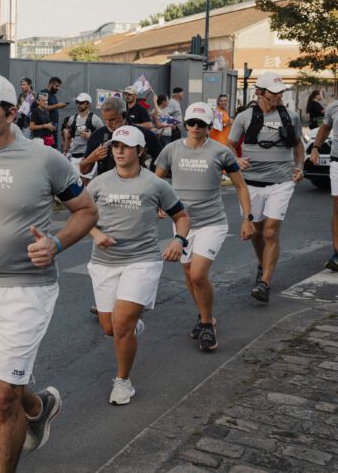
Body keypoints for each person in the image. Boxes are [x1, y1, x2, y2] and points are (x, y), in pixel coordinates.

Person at [0, 73, 98, 470]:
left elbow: (87, 211)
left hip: (27, 289)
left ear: (10, 113)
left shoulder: (45, 159)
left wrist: (56, 243)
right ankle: (38, 405)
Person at [86, 126, 190, 405]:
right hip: (104, 263)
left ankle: (123, 382)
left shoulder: (155, 185)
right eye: (115, 146)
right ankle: (131, 325)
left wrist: (178, 240)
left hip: (142, 261)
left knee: (120, 323)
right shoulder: (99, 183)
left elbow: (182, 216)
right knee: (110, 328)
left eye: (125, 146)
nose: (119, 151)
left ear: (140, 151)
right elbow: (82, 217)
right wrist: (96, 234)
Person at [156, 103, 254, 351]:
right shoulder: (171, 149)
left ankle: (207, 324)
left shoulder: (221, 152)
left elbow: (241, 186)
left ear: (209, 127)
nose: (195, 128)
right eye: (191, 123)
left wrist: (247, 218)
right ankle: (203, 315)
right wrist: (159, 204)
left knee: (198, 274)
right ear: (184, 123)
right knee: (189, 275)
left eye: (201, 124)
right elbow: (155, 182)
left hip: (212, 223)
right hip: (182, 224)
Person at [226, 72, 304, 304]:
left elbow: (298, 144)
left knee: (271, 231)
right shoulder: (245, 117)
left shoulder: (290, 116)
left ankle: (265, 282)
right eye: (273, 92)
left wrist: (299, 166)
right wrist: (236, 160)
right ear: (260, 92)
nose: (278, 96)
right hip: (251, 183)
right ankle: (263, 265)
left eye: (281, 92)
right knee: (257, 232)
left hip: (281, 181)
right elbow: (229, 145)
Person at [80, 97, 163, 181]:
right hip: (107, 189)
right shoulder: (97, 136)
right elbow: (83, 170)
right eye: (106, 120)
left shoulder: (143, 134)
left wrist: (152, 183)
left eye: (112, 119)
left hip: (137, 188)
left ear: (124, 115)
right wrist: (92, 157)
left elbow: (163, 164)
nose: (109, 124)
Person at [309, 97, 338, 271]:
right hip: (337, 160)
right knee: (337, 203)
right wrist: (315, 147)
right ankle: (337, 252)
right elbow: (325, 128)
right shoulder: (333, 107)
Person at [61, 94, 103, 176]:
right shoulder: (72, 119)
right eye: (77, 102)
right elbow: (68, 136)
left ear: (88, 104)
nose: (78, 104)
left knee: (85, 182)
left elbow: (103, 137)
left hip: (87, 156)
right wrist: (65, 150)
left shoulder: (95, 119)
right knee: (75, 183)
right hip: (74, 156)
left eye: (81, 102)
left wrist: (91, 137)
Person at [40, 77, 68, 149]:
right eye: (56, 86)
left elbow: (51, 107)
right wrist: (57, 106)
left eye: (59, 86)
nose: (58, 88)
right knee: (47, 148)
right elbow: (42, 107)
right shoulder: (43, 93)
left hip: (54, 126)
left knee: (54, 147)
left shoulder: (53, 95)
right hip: (46, 127)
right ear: (50, 84)